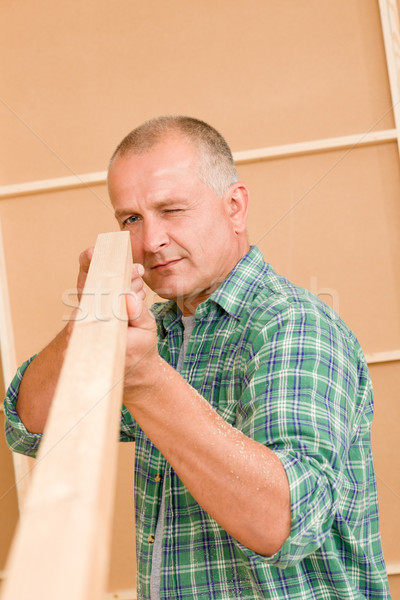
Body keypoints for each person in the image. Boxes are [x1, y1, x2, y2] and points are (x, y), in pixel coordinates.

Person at [4, 116, 391, 599]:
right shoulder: (162, 331)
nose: (150, 242)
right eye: (131, 219)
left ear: (235, 207)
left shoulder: (292, 324)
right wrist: (86, 322)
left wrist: (144, 378)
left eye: (172, 210)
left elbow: (286, 521)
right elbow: (29, 425)